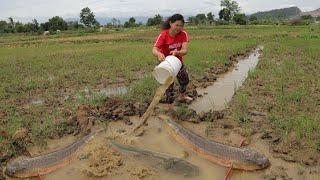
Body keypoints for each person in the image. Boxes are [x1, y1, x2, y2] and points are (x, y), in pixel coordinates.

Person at [152, 14, 193, 104]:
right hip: (166, 62)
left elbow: (185, 50)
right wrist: (159, 54)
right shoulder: (163, 35)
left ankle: (182, 96)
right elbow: (154, 50)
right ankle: (169, 103)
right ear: (171, 23)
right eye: (177, 25)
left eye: (181, 25)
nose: (179, 28)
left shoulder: (183, 34)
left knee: (184, 79)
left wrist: (177, 53)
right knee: (168, 84)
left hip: (177, 62)